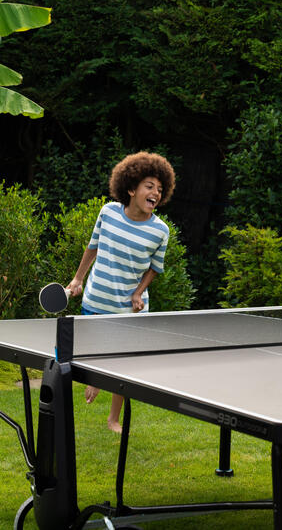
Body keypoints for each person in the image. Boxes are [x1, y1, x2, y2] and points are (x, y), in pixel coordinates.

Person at [67, 151, 176, 433]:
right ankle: (95, 379)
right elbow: (92, 247)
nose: (155, 193)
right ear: (131, 188)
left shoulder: (160, 231)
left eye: (159, 189)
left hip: (129, 309)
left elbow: (155, 268)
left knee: (123, 366)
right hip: (96, 298)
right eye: (149, 186)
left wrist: (139, 292)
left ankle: (113, 418)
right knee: (86, 353)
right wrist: (77, 279)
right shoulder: (109, 212)